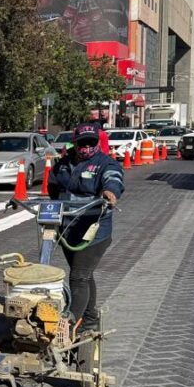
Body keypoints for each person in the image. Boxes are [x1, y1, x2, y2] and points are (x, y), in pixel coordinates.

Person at [47, 123, 124, 334]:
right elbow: (54, 185)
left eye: (91, 142)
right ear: (76, 143)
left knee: (79, 277)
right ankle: (90, 319)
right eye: (82, 143)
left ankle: (68, 325)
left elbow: (114, 178)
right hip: (68, 228)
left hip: (93, 231)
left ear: (97, 142)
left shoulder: (105, 164)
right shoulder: (64, 163)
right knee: (84, 275)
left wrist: (110, 192)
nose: (86, 147)